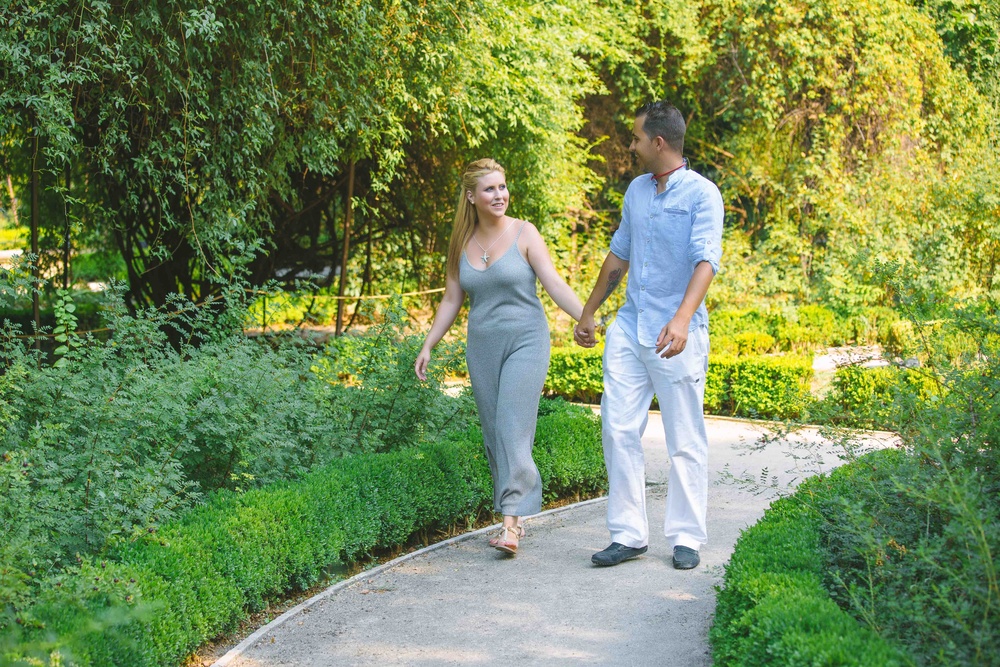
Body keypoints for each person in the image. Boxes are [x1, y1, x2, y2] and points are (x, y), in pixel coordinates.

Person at [574, 101, 724, 570]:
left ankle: (685, 538)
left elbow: (707, 263)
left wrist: (680, 319)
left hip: (675, 334)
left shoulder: (703, 195)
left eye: (636, 138)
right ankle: (628, 534)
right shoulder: (637, 191)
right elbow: (619, 255)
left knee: (684, 438)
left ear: (659, 142)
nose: (631, 145)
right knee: (617, 428)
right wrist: (588, 312)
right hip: (629, 328)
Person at [415, 158, 584, 556]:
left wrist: (586, 316)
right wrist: (428, 344)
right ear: (471, 196)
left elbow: (554, 282)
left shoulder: (525, 232)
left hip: (527, 340)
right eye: (490, 189)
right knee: (494, 433)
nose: (500, 195)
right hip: (483, 347)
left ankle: (509, 523)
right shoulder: (461, 242)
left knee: (511, 425)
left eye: (503, 187)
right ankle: (516, 512)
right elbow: (452, 298)